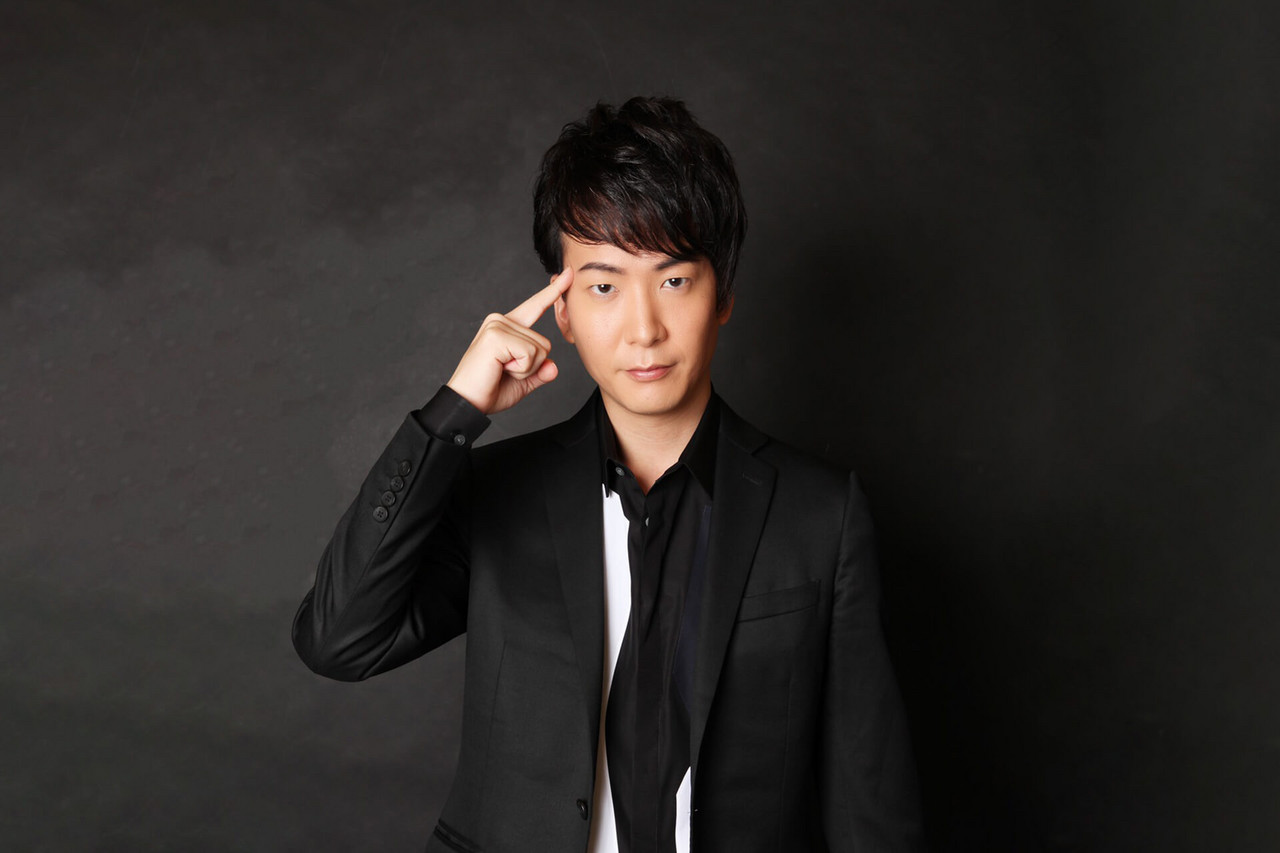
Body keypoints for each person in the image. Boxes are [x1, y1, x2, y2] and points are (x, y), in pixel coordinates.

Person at [293, 96, 923, 853]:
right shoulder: (498, 494)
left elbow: (869, 805)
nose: (643, 329)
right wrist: (453, 414)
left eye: (673, 280)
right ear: (561, 311)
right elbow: (338, 640)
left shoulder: (821, 514)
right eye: (603, 286)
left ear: (723, 293)